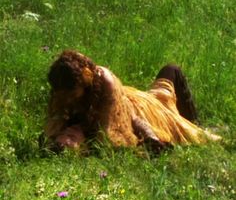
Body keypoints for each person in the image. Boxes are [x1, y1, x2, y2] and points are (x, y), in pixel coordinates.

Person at [43, 50, 220, 153]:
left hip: (137, 107)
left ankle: (195, 124)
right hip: (140, 111)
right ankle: (197, 126)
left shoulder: (104, 81)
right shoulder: (63, 88)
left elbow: (129, 120)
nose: (67, 99)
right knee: (171, 73)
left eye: (72, 93)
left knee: (170, 74)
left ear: (84, 81)